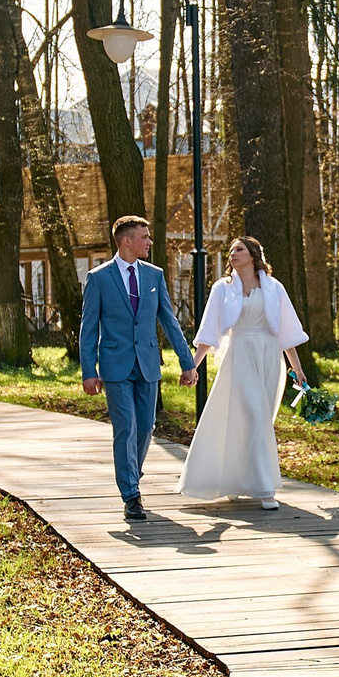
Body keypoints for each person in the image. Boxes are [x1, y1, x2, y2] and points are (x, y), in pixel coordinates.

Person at [79, 215, 196, 521]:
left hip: (147, 364)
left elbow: (169, 321)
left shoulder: (154, 275)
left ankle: (131, 470)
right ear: (126, 240)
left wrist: (188, 363)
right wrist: (88, 371)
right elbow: (88, 328)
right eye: (144, 237)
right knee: (126, 428)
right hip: (114, 366)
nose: (149, 242)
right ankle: (131, 494)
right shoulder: (99, 278)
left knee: (146, 427)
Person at [182, 237, 308, 510]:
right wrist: (193, 365)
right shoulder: (222, 289)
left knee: (255, 421)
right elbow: (209, 331)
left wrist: (297, 370)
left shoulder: (274, 288)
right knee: (254, 414)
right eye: (230, 250)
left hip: (268, 356)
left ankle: (236, 480)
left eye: (238, 249)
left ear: (253, 255)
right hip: (238, 355)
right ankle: (265, 490)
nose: (232, 254)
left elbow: (287, 332)